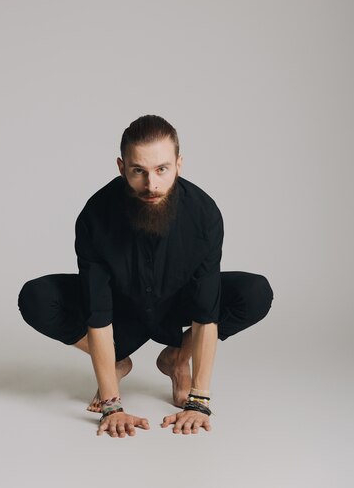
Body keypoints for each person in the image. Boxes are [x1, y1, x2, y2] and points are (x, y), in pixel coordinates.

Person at [18, 114, 274, 438]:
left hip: (175, 306)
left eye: (161, 170)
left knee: (255, 292)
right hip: (119, 312)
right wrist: (112, 404)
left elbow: (206, 310)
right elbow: (97, 313)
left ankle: (177, 359)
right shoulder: (95, 214)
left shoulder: (204, 214)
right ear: (121, 166)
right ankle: (116, 362)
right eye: (139, 171)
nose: (151, 185)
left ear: (179, 164)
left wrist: (199, 401)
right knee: (36, 298)